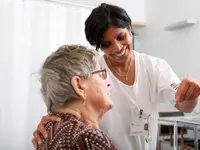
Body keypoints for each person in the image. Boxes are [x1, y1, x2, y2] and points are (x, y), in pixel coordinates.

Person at [32, 3, 200, 150]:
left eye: (121, 37)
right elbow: (66, 103)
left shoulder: (154, 67)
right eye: (106, 44)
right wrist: (52, 124)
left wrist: (190, 95)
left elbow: (184, 105)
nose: (117, 47)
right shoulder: (92, 72)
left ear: (129, 29)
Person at [35, 44, 117, 150]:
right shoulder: (87, 138)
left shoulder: (49, 130)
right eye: (102, 75)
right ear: (79, 85)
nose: (109, 82)